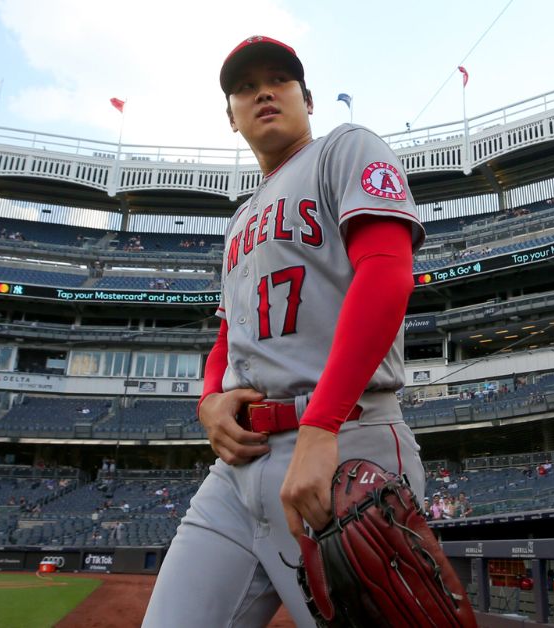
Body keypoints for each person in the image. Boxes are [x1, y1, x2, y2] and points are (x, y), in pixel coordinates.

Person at [144, 36, 427, 627]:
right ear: (231, 117)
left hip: (346, 442)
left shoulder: (345, 148)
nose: (263, 91)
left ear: (307, 97)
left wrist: (322, 425)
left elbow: (387, 273)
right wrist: (207, 402)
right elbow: (228, 336)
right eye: (245, 87)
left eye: (279, 79)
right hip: (237, 469)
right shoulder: (241, 218)